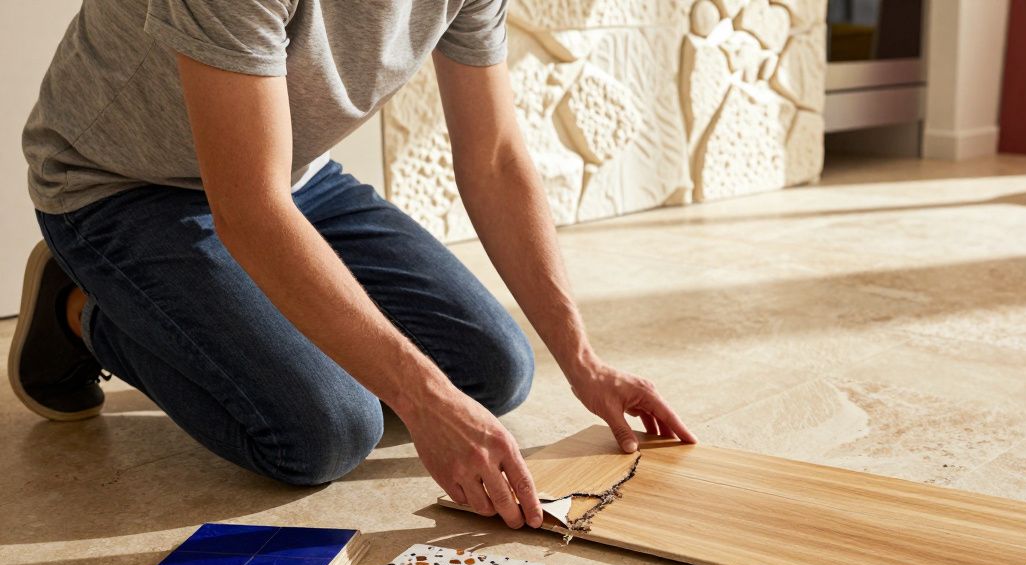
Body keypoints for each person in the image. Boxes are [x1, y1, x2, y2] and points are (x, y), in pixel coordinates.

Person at [10, 0, 695, 529]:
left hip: (292, 178)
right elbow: (248, 211)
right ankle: (84, 311)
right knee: (326, 433)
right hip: (119, 186)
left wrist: (583, 359)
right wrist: (422, 399)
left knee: (493, 370)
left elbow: (492, 158)